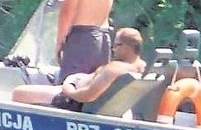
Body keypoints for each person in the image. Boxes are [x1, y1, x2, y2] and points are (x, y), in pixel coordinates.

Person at [13, 28, 146, 110]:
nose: (113, 49)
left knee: (18, 92)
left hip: (73, 101)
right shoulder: (140, 67)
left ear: (127, 47)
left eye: (116, 45)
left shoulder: (115, 68)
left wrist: (68, 89)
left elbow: (88, 96)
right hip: (77, 93)